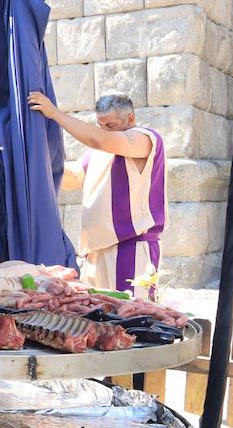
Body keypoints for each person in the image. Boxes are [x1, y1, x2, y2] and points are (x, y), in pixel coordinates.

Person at [27, 91, 166, 298]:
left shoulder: (146, 139)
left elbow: (97, 139)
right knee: (97, 320)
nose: (104, 131)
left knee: (131, 317)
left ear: (131, 119)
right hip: (95, 251)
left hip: (130, 247)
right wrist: (35, 161)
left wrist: (55, 113)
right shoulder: (98, 150)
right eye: (101, 126)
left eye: (110, 126)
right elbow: (72, 178)